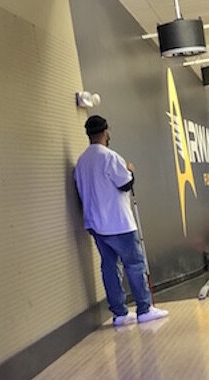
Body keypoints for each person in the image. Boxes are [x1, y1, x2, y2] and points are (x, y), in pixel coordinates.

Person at [74, 115, 168, 326]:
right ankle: (144, 309)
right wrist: (131, 170)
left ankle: (120, 314)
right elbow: (125, 184)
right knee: (134, 264)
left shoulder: (81, 161)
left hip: (95, 224)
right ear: (106, 132)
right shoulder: (110, 157)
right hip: (119, 222)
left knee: (109, 266)